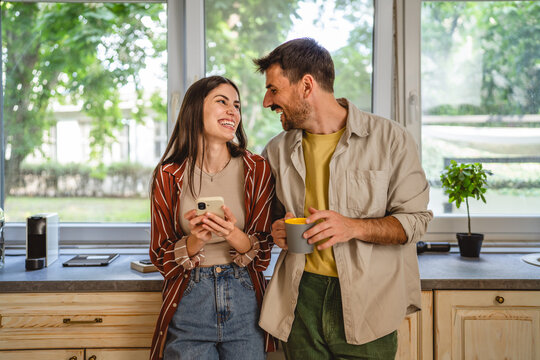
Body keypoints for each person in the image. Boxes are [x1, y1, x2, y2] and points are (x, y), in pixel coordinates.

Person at [253, 38, 433, 359]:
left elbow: (415, 222)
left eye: (274, 90)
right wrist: (275, 228)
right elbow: (266, 218)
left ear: (306, 85)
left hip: (369, 301)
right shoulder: (276, 150)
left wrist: (352, 227)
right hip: (299, 298)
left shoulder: (391, 139)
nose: (267, 101)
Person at [149, 76, 276, 360]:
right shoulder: (169, 175)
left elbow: (264, 251)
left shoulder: (257, 169)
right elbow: (159, 255)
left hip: (245, 303)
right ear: (195, 109)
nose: (233, 111)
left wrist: (233, 234)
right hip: (190, 301)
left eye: (237, 105)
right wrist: (195, 241)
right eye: (222, 102)